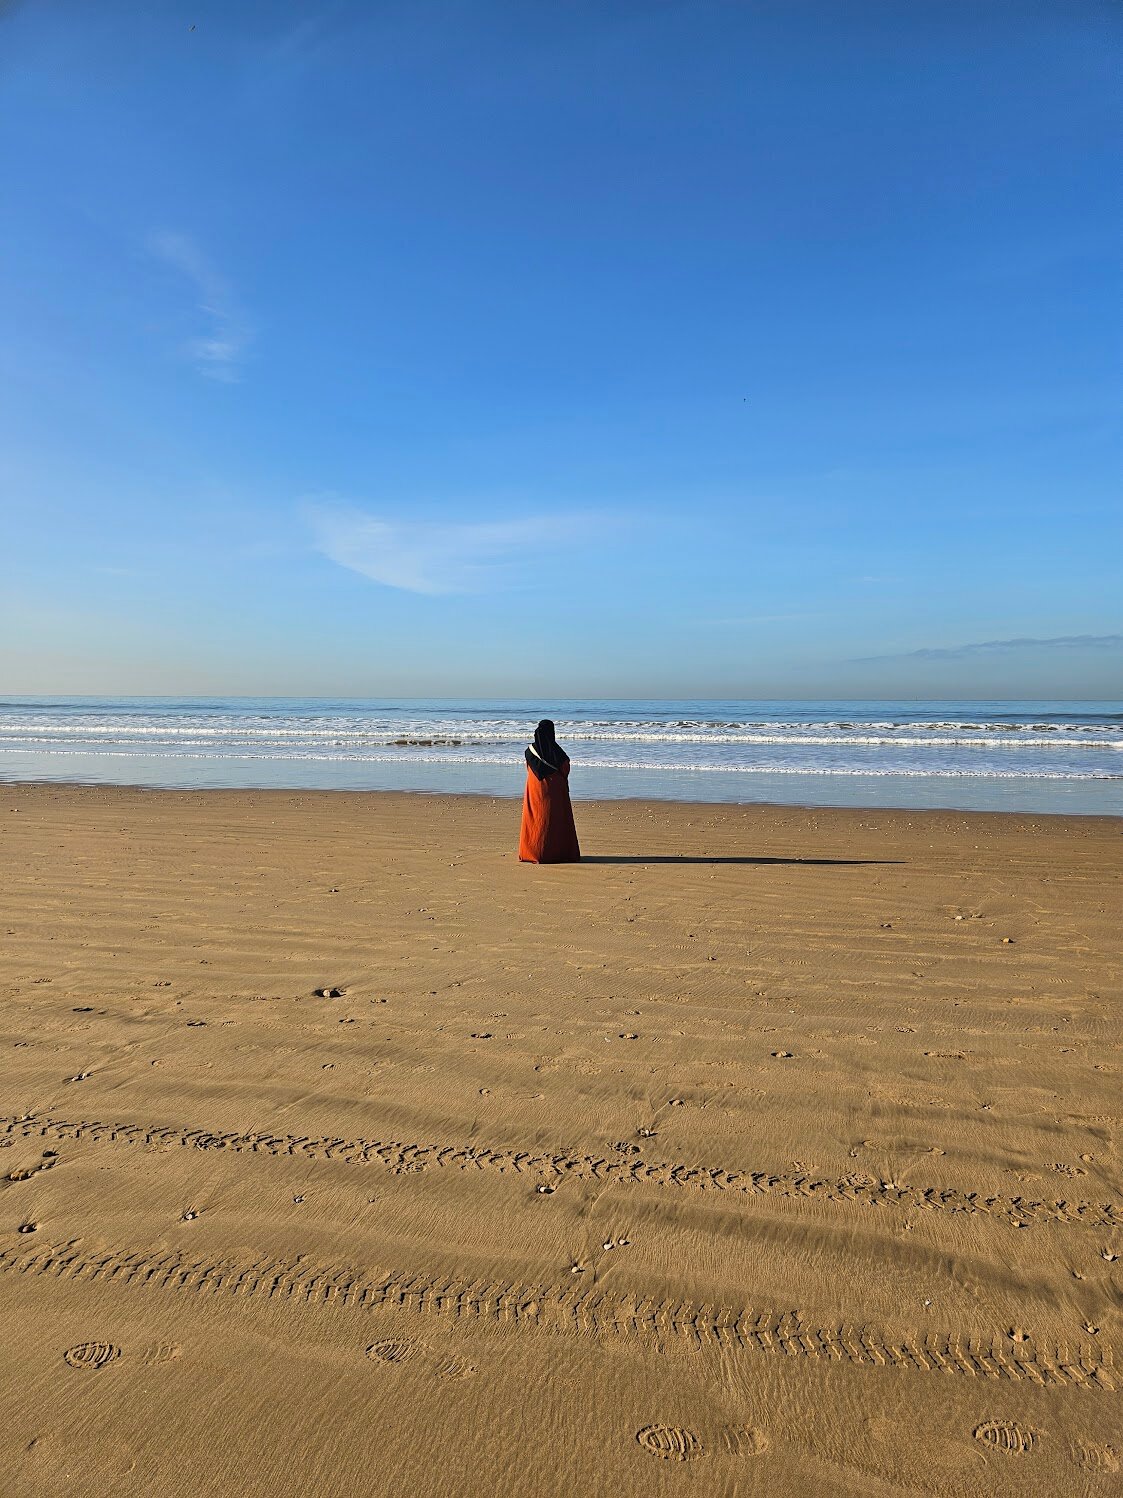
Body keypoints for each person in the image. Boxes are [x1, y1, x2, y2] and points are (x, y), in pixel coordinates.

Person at [518, 718, 581, 863]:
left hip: (534, 789)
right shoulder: (557, 752)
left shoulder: (529, 751)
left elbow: (528, 769)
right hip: (555, 789)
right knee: (555, 819)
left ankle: (532, 851)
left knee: (535, 819)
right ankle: (557, 852)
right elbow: (565, 768)